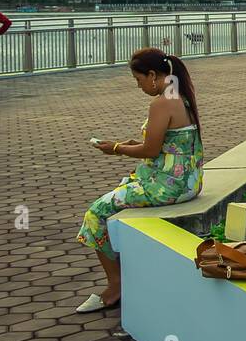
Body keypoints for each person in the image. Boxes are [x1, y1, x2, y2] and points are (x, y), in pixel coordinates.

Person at [76, 47, 204, 313]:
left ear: (153, 75)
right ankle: (124, 274)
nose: (139, 86)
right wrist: (134, 144)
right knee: (122, 190)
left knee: (96, 213)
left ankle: (116, 284)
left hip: (168, 186)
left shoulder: (161, 102)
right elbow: (169, 143)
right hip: (189, 181)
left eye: (139, 80)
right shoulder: (180, 94)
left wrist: (116, 148)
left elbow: (150, 151)